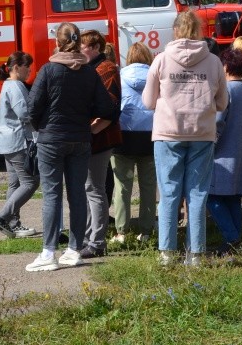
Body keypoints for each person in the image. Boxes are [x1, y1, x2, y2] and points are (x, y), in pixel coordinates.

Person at [25, 23, 119, 272]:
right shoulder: (90, 72)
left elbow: (32, 108)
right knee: (77, 195)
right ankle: (74, 250)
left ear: (57, 42)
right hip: (81, 139)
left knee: (52, 195)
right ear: (78, 43)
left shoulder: (48, 70)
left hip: (51, 139)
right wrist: (89, 125)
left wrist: (41, 126)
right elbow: (108, 109)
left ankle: (48, 253)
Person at [144, 10, 228, 267]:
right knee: (197, 193)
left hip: (168, 132)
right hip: (201, 132)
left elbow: (148, 102)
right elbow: (223, 103)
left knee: (169, 192)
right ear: (199, 30)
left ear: (176, 30)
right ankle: (196, 254)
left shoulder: (161, 60)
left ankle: (167, 253)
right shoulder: (213, 61)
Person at [78, 30, 123, 258]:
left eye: (83, 46)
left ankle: (96, 242)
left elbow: (111, 109)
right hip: (93, 138)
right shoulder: (92, 68)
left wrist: (92, 131)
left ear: (95, 47)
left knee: (95, 189)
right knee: (90, 189)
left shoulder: (106, 69)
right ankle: (89, 238)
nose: (79, 50)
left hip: (101, 139)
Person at [208, 48, 242, 256]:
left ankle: (232, 237)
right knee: (233, 197)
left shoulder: (227, 90)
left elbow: (218, 121)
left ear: (226, 67)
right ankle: (236, 240)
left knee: (211, 196)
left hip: (223, 152)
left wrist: (210, 144)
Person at [110, 43, 157, 244]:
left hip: (124, 135)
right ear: (148, 57)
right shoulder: (155, 76)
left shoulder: (119, 77)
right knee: (148, 186)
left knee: (122, 186)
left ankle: (121, 231)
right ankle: (146, 231)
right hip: (150, 134)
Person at [0, 51, 39, 238]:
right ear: (17, 67)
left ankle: (12, 224)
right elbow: (25, 113)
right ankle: (2, 217)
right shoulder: (16, 86)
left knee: (15, 183)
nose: (30, 71)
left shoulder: (7, 85)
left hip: (5, 141)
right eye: (28, 67)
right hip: (18, 141)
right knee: (30, 182)